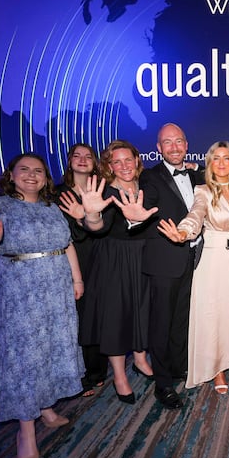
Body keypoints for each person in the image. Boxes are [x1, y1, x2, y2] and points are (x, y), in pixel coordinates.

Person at [0, 153, 84, 458]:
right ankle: (26, 433)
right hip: (20, 296)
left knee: (52, 351)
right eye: (24, 170)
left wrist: (77, 277)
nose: (31, 175)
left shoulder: (52, 207)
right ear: (11, 175)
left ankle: (46, 408)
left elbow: (67, 243)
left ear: (45, 178)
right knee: (25, 360)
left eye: (38, 171)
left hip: (57, 291)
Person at [158, 141, 229, 395]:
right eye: (217, 158)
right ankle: (215, 369)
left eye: (226, 158)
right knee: (213, 317)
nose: (222, 163)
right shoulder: (202, 190)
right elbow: (196, 214)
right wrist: (183, 232)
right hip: (212, 260)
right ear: (209, 162)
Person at [117, 123, 204, 410]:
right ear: (159, 148)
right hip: (164, 261)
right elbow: (146, 207)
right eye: (168, 142)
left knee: (181, 321)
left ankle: (179, 368)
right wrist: (135, 217)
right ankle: (163, 384)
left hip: (193, 259)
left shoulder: (196, 174)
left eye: (179, 141)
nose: (175, 147)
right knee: (161, 324)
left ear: (187, 144)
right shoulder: (151, 178)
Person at [75, 140, 158, 405]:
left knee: (143, 310)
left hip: (143, 255)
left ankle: (141, 358)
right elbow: (97, 226)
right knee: (116, 317)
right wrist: (91, 214)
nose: (124, 166)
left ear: (137, 159)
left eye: (128, 159)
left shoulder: (146, 184)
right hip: (114, 259)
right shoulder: (106, 190)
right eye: (117, 161)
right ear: (109, 166)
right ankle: (119, 376)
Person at [56, 143, 108, 398]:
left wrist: (84, 216)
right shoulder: (56, 194)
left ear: (95, 163)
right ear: (69, 161)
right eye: (77, 156)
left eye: (88, 156)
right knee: (74, 319)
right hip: (67, 263)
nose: (83, 160)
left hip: (100, 258)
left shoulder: (102, 190)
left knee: (97, 317)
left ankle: (96, 373)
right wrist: (77, 217)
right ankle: (75, 373)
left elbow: (105, 227)